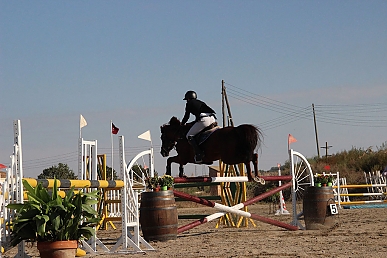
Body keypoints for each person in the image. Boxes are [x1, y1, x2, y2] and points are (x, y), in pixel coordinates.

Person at [181, 90, 216, 163]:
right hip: (212, 119)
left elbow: (186, 116)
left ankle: (199, 153)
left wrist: (182, 124)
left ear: (188, 98)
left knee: (189, 136)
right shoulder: (200, 102)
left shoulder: (189, 104)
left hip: (204, 120)